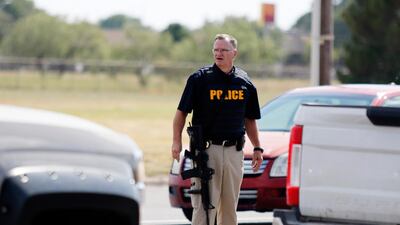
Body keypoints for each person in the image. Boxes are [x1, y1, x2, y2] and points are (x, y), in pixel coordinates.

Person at [171, 33, 263, 225]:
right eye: (216, 50)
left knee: (229, 209)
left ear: (234, 53)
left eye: (223, 50)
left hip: (234, 152)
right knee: (204, 206)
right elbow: (181, 113)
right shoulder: (200, 79)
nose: (218, 53)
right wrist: (176, 141)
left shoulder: (244, 82)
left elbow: (250, 119)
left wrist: (257, 147)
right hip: (206, 151)